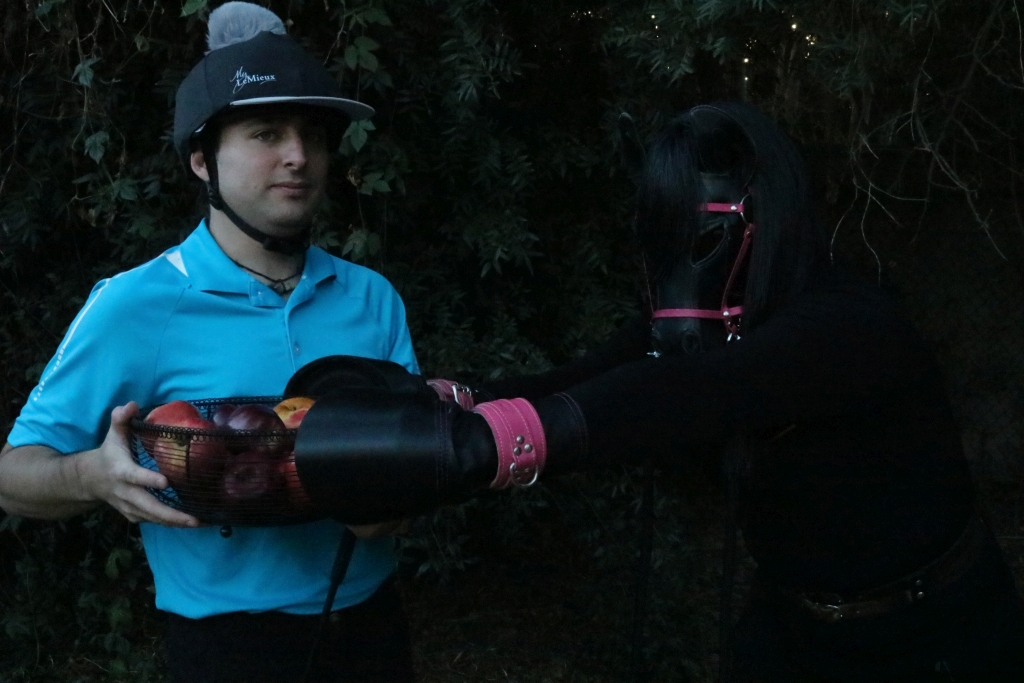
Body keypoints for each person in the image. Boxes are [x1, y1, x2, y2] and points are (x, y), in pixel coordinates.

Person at [282, 102, 1024, 681]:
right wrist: (448, 406)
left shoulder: (849, 322)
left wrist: (482, 446)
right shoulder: (717, 326)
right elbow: (588, 378)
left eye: (697, 238)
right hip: (794, 623)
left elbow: (687, 390)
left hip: (937, 638)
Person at [0, 4, 417, 682]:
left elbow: (409, 461)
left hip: (373, 629)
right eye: (266, 133)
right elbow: (12, 476)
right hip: (228, 649)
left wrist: (405, 487)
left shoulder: (371, 297)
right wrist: (91, 476)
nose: (298, 156)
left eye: (313, 135)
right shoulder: (136, 304)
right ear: (201, 160)